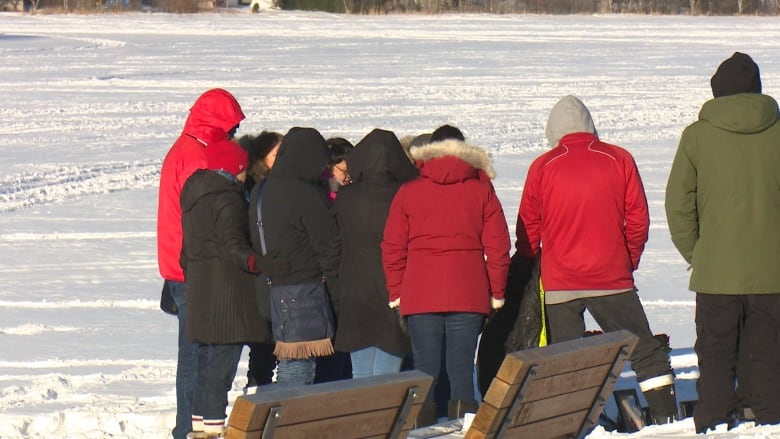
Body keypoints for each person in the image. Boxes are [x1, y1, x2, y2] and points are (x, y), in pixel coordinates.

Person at [515, 95, 677, 426]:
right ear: (590, 126)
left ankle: (572, 424)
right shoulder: (619, 158)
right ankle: (665, 417)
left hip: (560, 281)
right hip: (610, 276)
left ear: (553, 130)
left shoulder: (542, 166)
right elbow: (638, 218)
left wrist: (530, 264)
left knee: (568, 360)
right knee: (644, 349)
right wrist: (626, 259)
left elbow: (528, 226)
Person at [665, 52, 780, 433]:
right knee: (767, 357)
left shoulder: (697, 135)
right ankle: (767, 423)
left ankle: (713, 423)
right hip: (771, 272)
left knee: (714, 357)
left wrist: (696, 252)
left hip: (715, 272)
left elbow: (677, 202)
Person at [381, 124, 511, 425]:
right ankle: (463, 426)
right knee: (462, 367)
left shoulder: (409, 191)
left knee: (425, 367)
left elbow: (392, 247)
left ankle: (422, 428)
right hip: (469, 293)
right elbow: (499, 247)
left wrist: (396, 292)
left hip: (420, 293)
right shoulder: (481, 190)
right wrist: (497, 293)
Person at [180, 139, 289, 437]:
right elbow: (232, 246)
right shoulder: (227, 199)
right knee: (220, 371)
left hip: (202, 296)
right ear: (236, 168)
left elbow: (185, 254)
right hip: (227, 300)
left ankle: (200, 429)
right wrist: (261, 262)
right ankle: (214, 430)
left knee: (205, 368)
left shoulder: (194, 196)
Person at [156, 88, 244, 439]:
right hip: (192, 270)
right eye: (231, 126)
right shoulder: (197, 156)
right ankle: (189, 429)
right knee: (196, 357)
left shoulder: (186, 148)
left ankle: (190, 426)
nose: (234, 133)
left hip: (182, 266)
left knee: (195, 354)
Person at [254, 127, 341, 388]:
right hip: (303, 291)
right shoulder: (306, 194)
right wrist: (337, 290)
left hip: (267, 289)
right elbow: (329, 246)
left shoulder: (260, 191)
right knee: (298, 367)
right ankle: (285, 423)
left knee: (287, 362)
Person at [333, 128, 418, 379]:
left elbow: (334, 242)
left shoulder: (346, 197)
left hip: (354, 285)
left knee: (360, 370)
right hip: (394, 283)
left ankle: (365, 413)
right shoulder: (406, 194)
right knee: (389, 364)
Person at [237, 130, 284, 389]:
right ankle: (257, 390)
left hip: (275, 270)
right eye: (276, 154)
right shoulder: (252, 187)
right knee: (263, 344)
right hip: (259, 273)